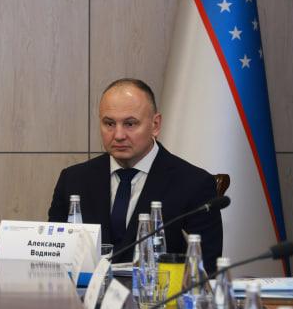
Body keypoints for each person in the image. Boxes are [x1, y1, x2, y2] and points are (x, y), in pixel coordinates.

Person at [47, 79, 221, 266]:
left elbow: (205, 267)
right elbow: (53, 256)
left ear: (155, 125)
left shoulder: (194, 184)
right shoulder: (73, 180)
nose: (118, 135)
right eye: (109, 123)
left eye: (130, 124)